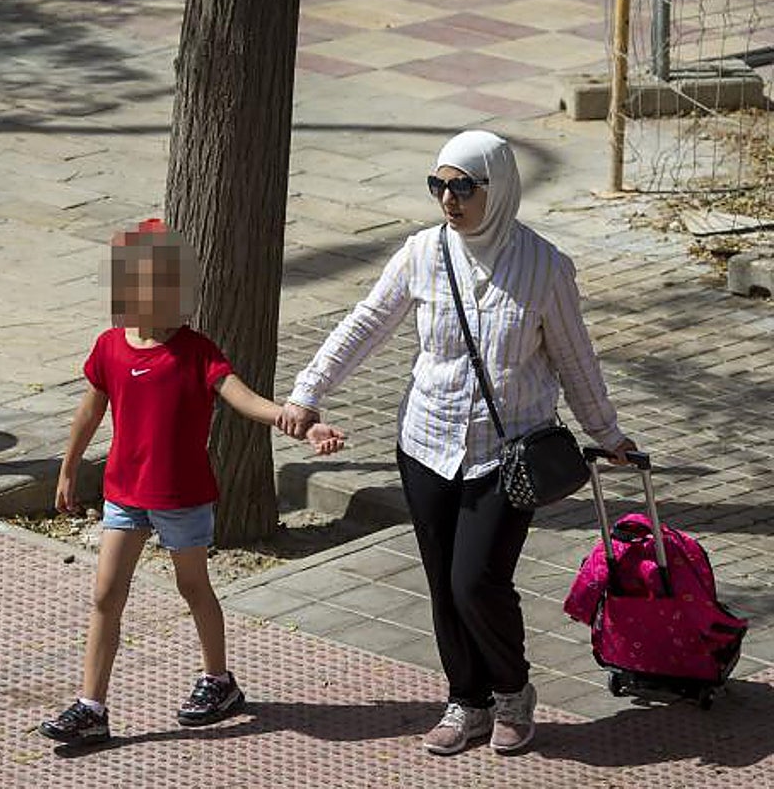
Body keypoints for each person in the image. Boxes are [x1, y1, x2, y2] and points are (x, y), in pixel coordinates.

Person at [276, 131, 636, 756]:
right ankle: (465, 700)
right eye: (438, 185)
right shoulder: (421, 253)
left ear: (495, 189)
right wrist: (308, 392)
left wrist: (607, 434)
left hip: (509, 453)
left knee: (476, 581)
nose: (449, 198)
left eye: (463, 187)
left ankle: (513, 691)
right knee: (443, 582)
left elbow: (576, 358)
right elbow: (366, 322)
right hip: (426, 445)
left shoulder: (544, 266)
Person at [38, 219, 345, 745]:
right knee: (106, 595)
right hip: (125, 495)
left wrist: (299, 423)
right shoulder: (110, 347)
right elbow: (89, 413)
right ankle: (92, 707)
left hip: (181, 497)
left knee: (192, 586)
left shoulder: (198, 351)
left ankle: (218, 680)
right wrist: (68, 468)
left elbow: (242, 398)